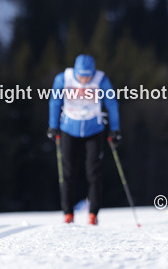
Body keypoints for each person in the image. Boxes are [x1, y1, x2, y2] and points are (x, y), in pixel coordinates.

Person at [47, 54, 121, 225]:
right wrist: (53, 125)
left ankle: (93, 213)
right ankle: (68, 213)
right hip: (69, 129)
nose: (85, 79)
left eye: (88, 76)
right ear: (76, 72)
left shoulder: (101, 80)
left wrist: (115, 129)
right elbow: (55, 102)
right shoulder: (63, 79)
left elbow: (111, 103)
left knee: (93, 172)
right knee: (68, 172)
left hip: (94, 129)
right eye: (81, 76)